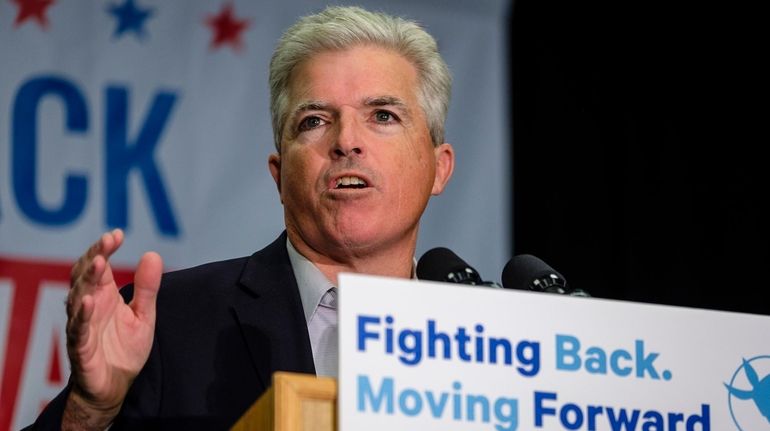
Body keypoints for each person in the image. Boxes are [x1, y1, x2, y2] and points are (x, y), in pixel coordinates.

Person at [28, 5, 454, 430]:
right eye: (314, 120)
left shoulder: (488, 342)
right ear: (280, 174)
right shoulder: (171, 324)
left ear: (439, 168)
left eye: (383, 115)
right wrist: (90, 411)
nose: (346, 141)